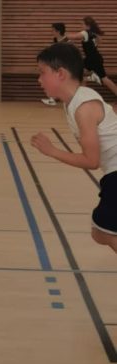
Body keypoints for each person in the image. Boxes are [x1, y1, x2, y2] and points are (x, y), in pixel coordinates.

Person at [31, 42, 117, 257]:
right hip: (112, 172)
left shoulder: (84, 106)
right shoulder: (75, 100)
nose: (39, 79)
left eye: (42, 73)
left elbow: (91, 161)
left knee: (103, 230)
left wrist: (52, 151)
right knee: (100, 232)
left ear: (60, 74)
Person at [64, 17, 117, 97]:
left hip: (93, 59)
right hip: (93, 58)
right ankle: (84, 93)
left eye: (82, 24)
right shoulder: (95, 34)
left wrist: (63, 34)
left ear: (88, 25)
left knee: (103, 78)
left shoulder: (85, 33)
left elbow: (74, 36)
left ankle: (90, 80)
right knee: (81, 74)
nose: (81, 26)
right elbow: (97, 43)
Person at [40, 23, 68, 106]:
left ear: (58, 31)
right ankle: (52, 99)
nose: (52, 32)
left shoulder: (67, 42)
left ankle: (54, 99)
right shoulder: (56, 40)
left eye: (53, 30)